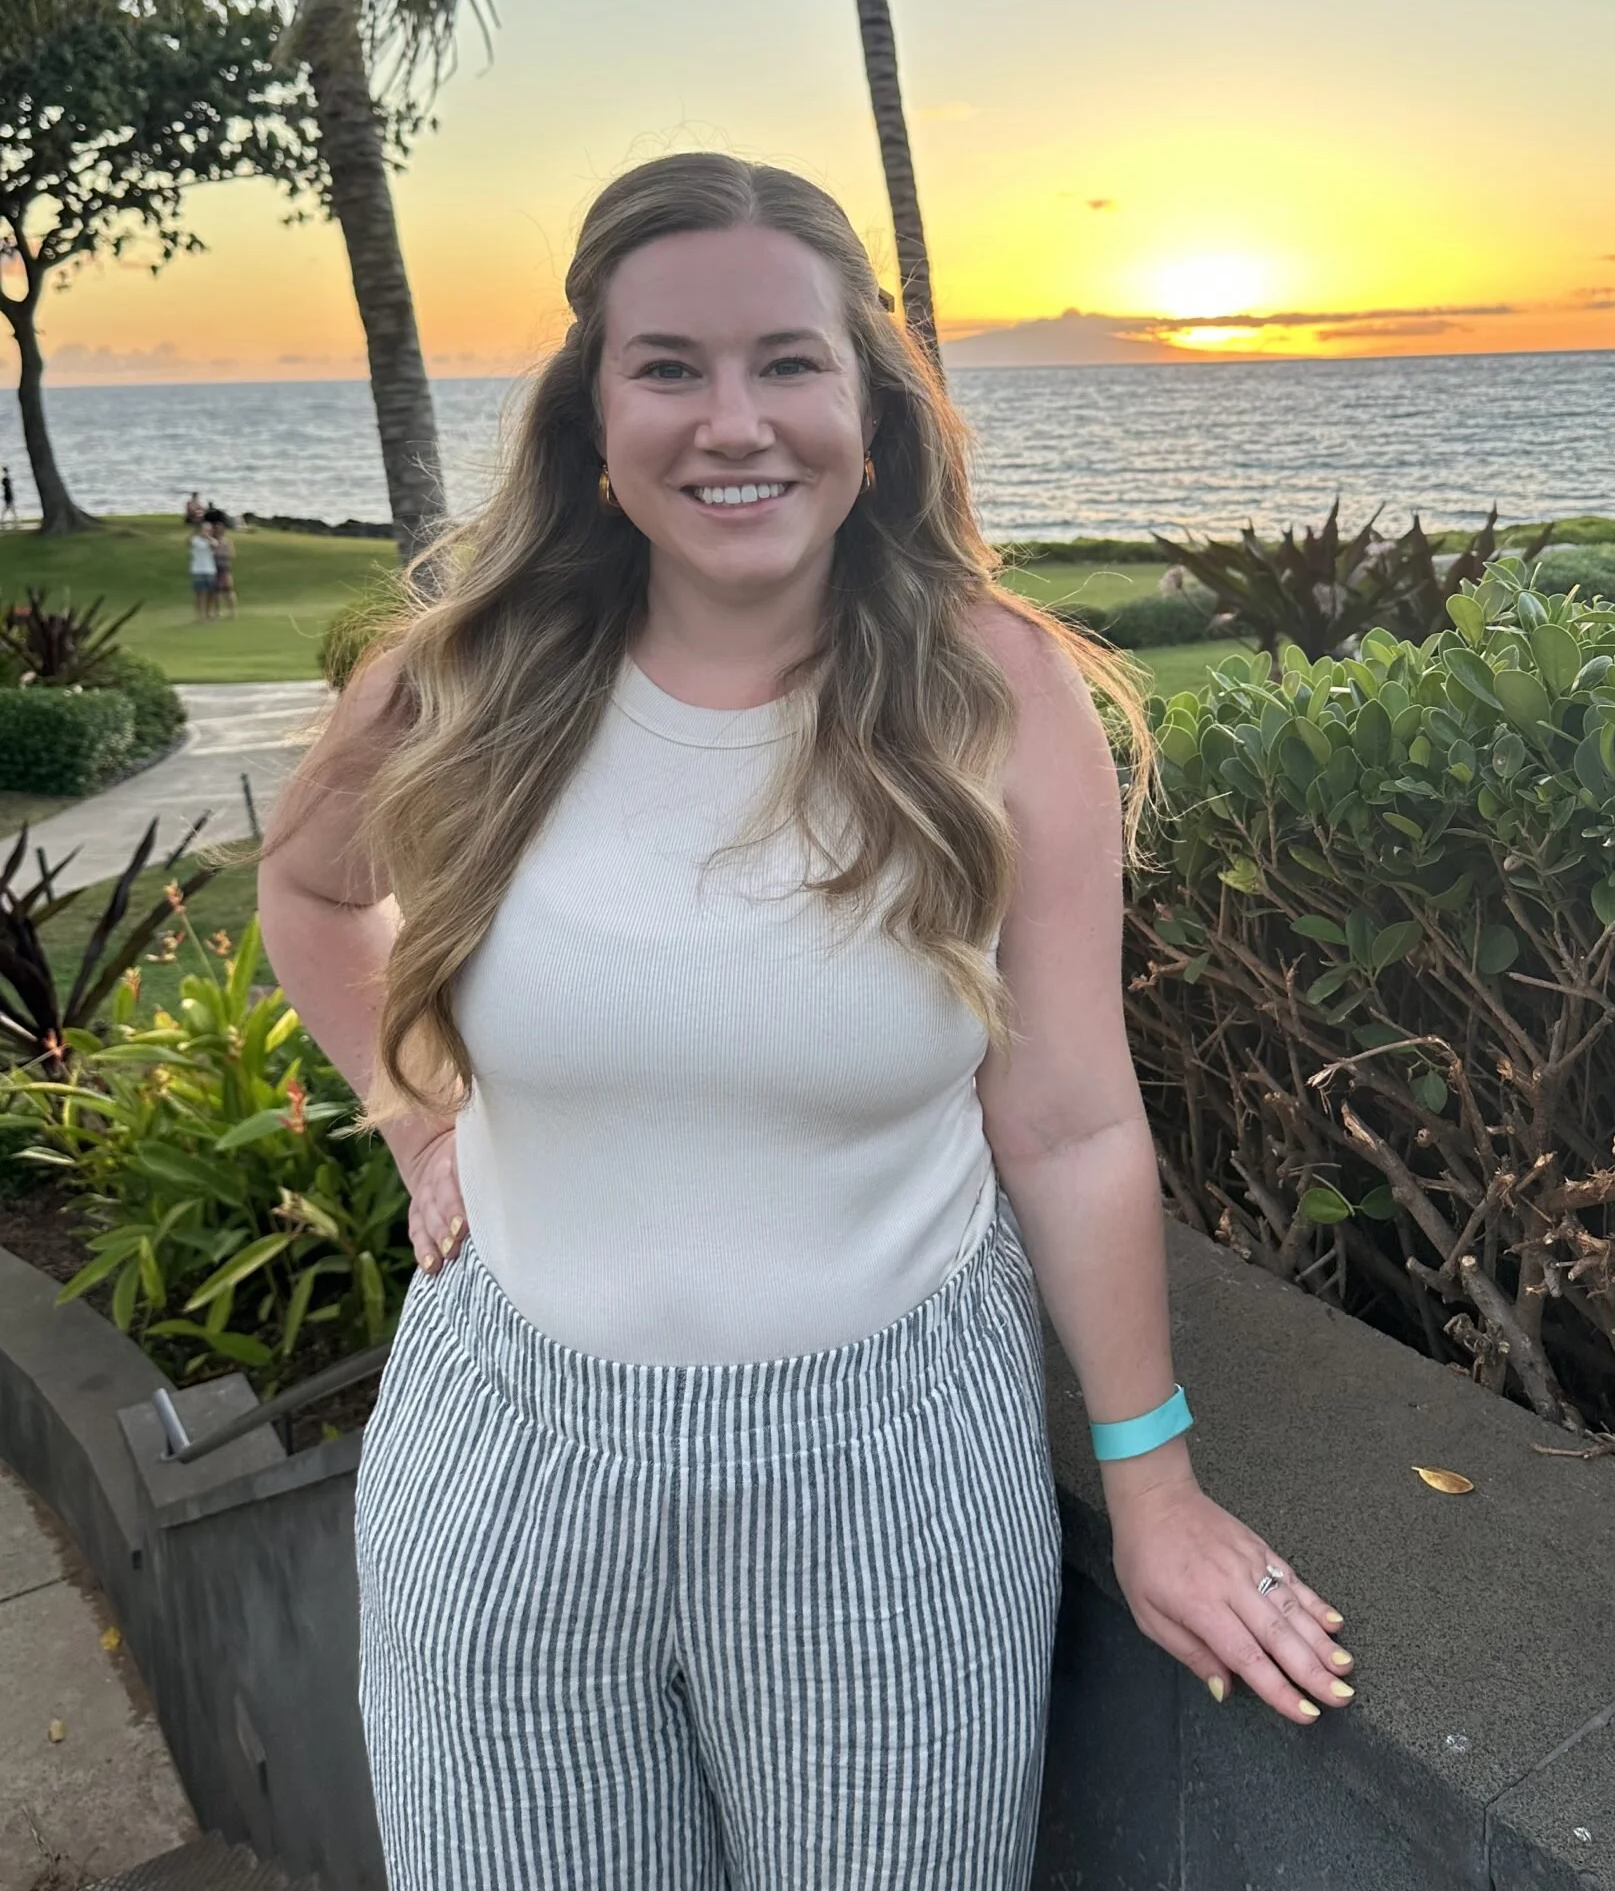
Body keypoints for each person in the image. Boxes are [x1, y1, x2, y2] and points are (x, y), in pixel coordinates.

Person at [258, 155, 1353, 1890]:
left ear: (871, 405)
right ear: (594, 414)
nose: (734, 422)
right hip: (503, 1469)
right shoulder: (466, 676)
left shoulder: (993, 691)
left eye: (787, 361)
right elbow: (314, 894)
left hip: (887, 1482)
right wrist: (415, 1116)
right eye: (669, 367)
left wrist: (1152, 1487)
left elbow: (1070, 1120)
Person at [187, 523, 216, 620]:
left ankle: (208, 613)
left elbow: (215, 545)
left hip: (210, 570)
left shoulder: (212, 541)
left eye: (209, 530)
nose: (207, 532)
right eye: (205, 530)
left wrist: (207, 537)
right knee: (198, 593)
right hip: (198, 570)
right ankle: (199, 615)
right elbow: (189, 542)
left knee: (210, 593)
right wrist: (194, 532)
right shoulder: (196, 540)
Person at [210, 522, 237, 618]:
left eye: (220, 529)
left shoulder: (227, 541)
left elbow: (232, 554)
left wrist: (223, 549)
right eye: (216, 529)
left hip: (224, 568)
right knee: (216, 591)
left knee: (229, 590)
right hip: (214, 568)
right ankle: (217, 612)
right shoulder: (212, 541)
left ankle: (232, 612)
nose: (218, 531)